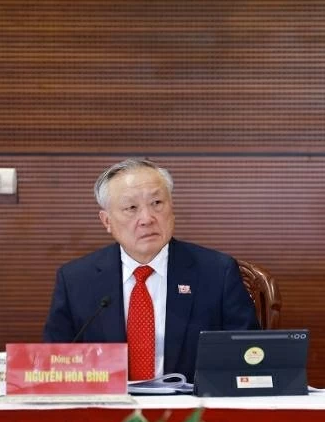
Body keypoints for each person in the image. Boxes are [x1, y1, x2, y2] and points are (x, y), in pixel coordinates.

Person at [43, 158, 259, 381]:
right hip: (109, 401)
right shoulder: (76, 280)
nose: (146, 219)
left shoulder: (217, 273)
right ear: (107, 221)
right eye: (131, 208)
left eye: (156, 203)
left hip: (191, 400)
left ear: (171, 207)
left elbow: (248, 354)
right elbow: (54, 363)